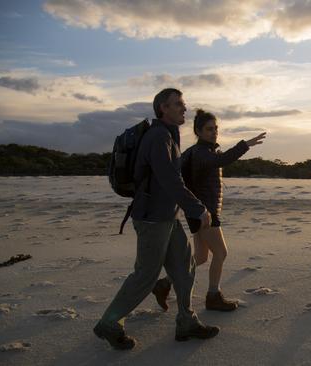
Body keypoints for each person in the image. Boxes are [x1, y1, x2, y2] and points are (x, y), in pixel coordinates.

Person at [93, 88, 219, 350]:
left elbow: (174, 181)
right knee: (146, 276)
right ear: (163, 108)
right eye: (179, 104)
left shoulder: (169, 135)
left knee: (185, 268)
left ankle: (186, 321)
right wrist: (197, 209)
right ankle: (109, 323)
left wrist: (185, 208)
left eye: (183, 104)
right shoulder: (158, 137)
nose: (184, 108)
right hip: (152, 219)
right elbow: (171, 181)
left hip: (167, 216)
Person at [152, 109, 266, 312]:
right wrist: (245, 145)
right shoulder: (202, 153)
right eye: (209, 129)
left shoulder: (200, 152)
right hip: (205, 212)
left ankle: (164, 284)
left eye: (216, 128)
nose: (214, 132)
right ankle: (213, 296)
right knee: (221, 253)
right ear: (198, 131)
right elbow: (221, 161)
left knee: (202, 257)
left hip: (198, 211)